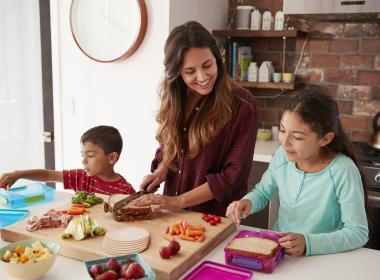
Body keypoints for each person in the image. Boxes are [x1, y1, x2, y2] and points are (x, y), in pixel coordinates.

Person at [133, 21, 258, 216]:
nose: (202, 77)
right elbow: (170, 145)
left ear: (217, 58)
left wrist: (179, 201)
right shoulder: (175, 97)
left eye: (207, 65)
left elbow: (233, 177)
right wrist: (162, 170)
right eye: (190, 71)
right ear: (177, 73)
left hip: (213, 220)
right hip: (171, 216)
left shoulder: (243, 104)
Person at [226, 89, 369, 257]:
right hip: (280, 252)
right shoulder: (282, 156)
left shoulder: (342, 170)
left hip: (322, 258)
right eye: (282, 130)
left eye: (297, 137)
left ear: (325, 138)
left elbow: (358, 232)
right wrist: (248, 202)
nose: (285, 142)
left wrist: (308, 243)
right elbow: (263, 192)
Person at [0, 125, 135, 195]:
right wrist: (18, 174)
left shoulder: (126, 191)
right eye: (82, 155)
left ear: (112, 158)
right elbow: (47, 175)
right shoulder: (81, 177)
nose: (83, 161)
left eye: (90, 155)